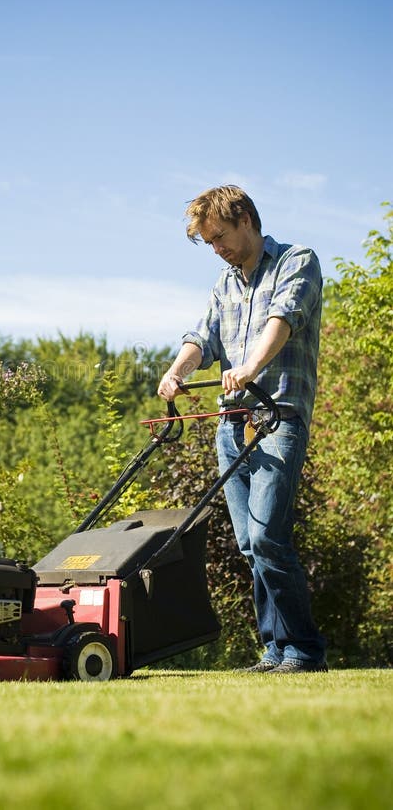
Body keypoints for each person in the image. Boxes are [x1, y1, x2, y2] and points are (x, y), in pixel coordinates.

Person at [158, 184, 327, 673]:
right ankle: (275, 650)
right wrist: (177, 373)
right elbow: (202, 337)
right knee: (251, 544)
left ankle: (304, 649)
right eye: (208, 242)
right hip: (231, 424)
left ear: (246, 220)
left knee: (269, 535)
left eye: (220, 236)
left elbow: (285, 317)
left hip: (278, 417)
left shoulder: (297, 261)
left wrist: (251, 366)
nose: (217, 248)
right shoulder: (225, 282)